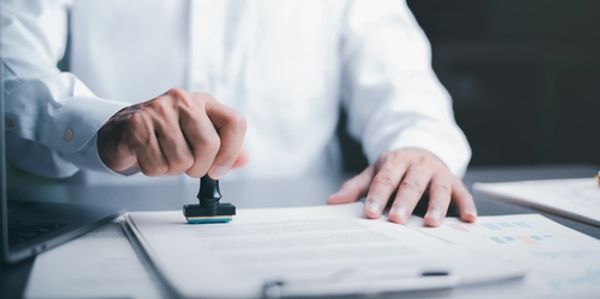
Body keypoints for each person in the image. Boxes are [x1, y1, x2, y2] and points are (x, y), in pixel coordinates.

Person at [2, 0, 476, 227]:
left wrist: (420, 148)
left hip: (311, 242)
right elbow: (10, 75)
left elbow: (408, 89)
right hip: (103, 232)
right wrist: (101, 126)